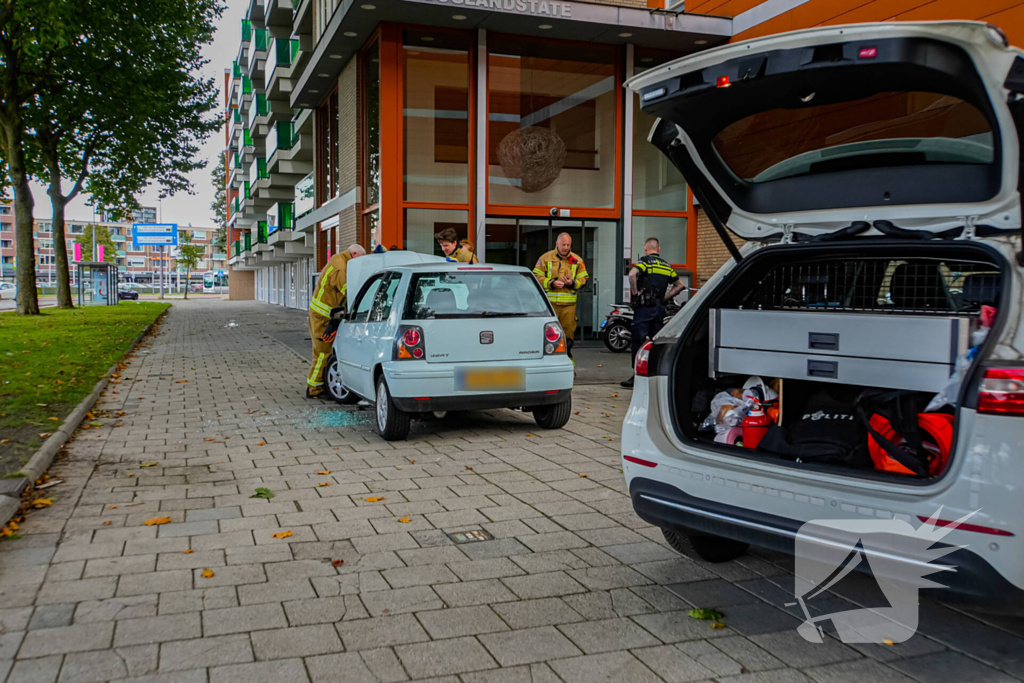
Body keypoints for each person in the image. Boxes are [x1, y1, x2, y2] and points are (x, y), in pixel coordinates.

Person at [621, 237, 685, 388]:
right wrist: (665, 297)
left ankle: (637, 376)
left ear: (646, 248)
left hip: (644, 308)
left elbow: (632, 274)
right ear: (658, 249)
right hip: (659, 309)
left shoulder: (645, 262)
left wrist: (635, 293)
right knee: (656, 342)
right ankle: (656, 374)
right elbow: (680, 285)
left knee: (638, 341)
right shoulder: (666, 266)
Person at [306, 243, 366, 398]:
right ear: (354, 254)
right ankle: (314, 389)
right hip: (322, 318)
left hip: (323, 315)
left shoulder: (339, 260)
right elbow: (348, 291)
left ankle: (320, 385)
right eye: (360, 258)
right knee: (323, 353)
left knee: (324, 352)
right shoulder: (340, 268)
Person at [533, 233, 588, 359]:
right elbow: (536, 277)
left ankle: (568, 362)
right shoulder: (545, 258)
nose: (566, 247)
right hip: (549, 307)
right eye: (563, 245)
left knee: (568, 338)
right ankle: (547, 363)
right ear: (557, 244)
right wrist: (551, 283)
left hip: (569, 307)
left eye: (568, 245)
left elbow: (584, 279)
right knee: (547, 337)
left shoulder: (577, 260)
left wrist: (572, 283)